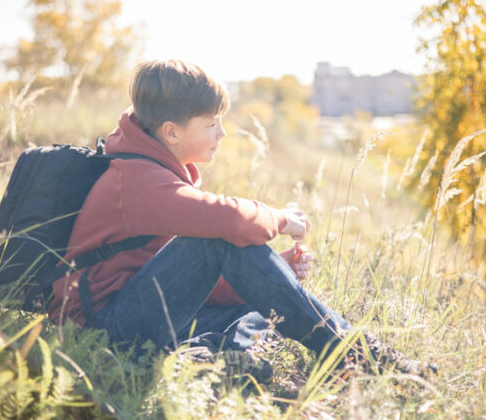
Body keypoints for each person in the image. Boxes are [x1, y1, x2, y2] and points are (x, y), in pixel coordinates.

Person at [48, 60, 434, 379]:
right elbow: (229, 225)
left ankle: (223, 360)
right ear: (172, 132)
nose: (222, 133)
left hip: (137, 309)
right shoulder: (138, 181)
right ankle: (359, 358)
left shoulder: (153, 168)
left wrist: (271, 274)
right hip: (107, 327)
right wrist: (282, 219)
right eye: (211, 124)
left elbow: (183, 275)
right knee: (219, 235)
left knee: (257, 304)